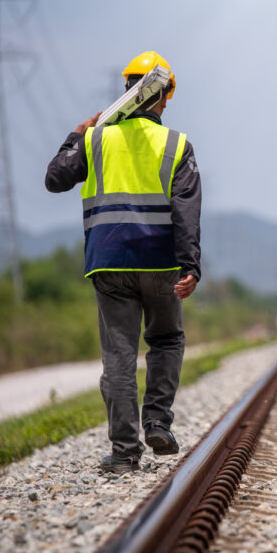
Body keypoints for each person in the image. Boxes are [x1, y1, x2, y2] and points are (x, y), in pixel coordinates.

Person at [45, 50, 201, 474]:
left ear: (126, 90)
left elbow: (54, 178)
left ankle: (124, 453)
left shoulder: (95, 139)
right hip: (161, 264)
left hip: (108, 263)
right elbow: (186, 212)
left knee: (118, 355)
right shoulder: (176, 145)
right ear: (165, 95)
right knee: (166, 340)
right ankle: (157, 422)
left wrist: (76, 136)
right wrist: (190, 267)